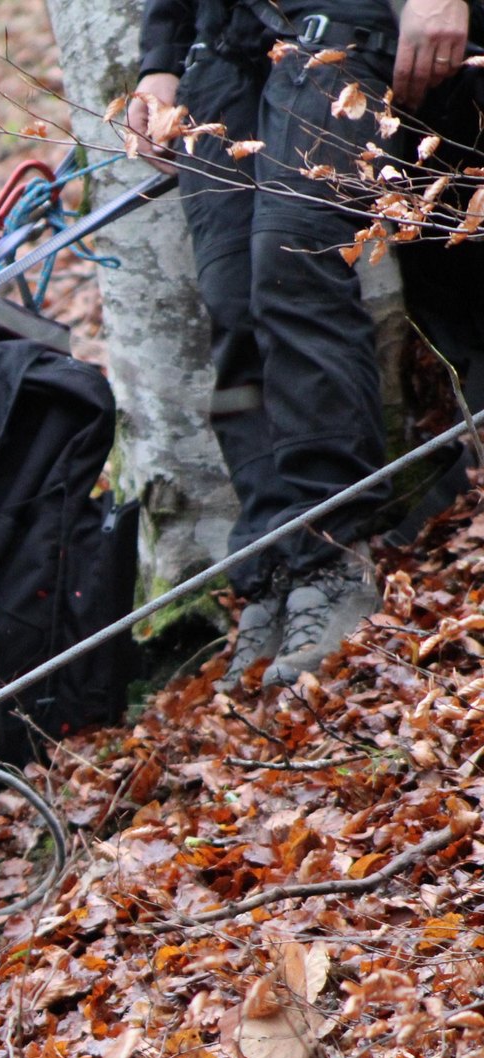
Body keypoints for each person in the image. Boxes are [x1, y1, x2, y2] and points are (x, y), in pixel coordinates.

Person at [127, 0, 484, 689]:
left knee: (293, 268)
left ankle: (332, 556)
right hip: (222, 44)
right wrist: (160, 60)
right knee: (233, 302)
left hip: (343, 22)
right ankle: (274, 569)